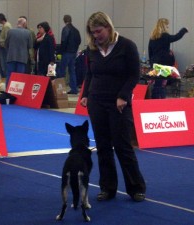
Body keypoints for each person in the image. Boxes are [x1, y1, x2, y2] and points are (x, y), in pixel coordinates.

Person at [80, 11, 146, 202]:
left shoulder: (127, 46)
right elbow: (89, 74)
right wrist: (85, 95)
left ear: (108, 28)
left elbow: (134, 75)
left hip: (119, 103)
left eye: (98, 31)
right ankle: (108, 188)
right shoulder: (92, 49)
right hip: (96, 102)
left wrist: (123, 96)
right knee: (103, 146)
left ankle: (136, 188)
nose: (95, 36)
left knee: (122, 145)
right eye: (92, 32)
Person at [148, 18, 188, 99]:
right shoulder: (165, 36)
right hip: (164, 64)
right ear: (164, 26)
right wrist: (183, 30)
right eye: (167, 25)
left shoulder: (152, 38)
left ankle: (155, 99)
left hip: (155, 64)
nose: (168, 27)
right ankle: (160, 101)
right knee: (162, 84)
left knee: (157, 83)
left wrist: (151, 64)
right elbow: (176, 37)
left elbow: (150, 52)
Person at [5, 17, 33, 86]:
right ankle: (18, 93)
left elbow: (6, 44)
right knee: (20, 77)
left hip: (11, 57)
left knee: (9, 76)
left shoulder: (10, 31)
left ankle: (8, 93)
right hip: (22, 58)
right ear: (24, 24)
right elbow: (30, 45)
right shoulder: (28, 33)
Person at [59, 15, 81, 94]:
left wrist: (61, 51)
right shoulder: (76, 30)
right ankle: (74, 89)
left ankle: (60, 89)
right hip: (73, 53)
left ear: (64, 20)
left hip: (66, 52)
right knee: (72, 71)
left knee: (61, 71)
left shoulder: (65, 29)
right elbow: (79, 41)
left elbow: (63, 41)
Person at [0, 13, 12, 81]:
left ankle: (6, 80)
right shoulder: (6, 25)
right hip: (4, 47)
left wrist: (3, 44)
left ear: (0, 19)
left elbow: (7, 38)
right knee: (2, 65)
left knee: (4, 65)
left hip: (4, 48)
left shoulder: (6, 26)